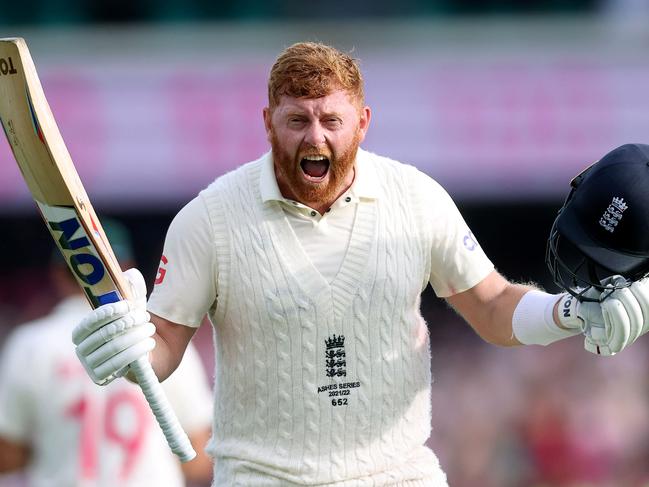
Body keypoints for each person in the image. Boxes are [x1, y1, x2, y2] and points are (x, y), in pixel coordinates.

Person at [70, 43, 649, 486]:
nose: (314, 137)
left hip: (398, 475)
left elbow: (493, 306)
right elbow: (165, 346)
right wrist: (131, 348)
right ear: (267, 122)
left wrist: (571, 310)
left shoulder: (416, 198)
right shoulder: (209, 218)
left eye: (332, 120)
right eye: (297, 120)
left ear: (363, 122)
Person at [0, 219, 214, 487]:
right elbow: (197, 461)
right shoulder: (160, 338)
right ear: (126, 269)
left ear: (57, 272)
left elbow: (8, 457)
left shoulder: (29, 345)